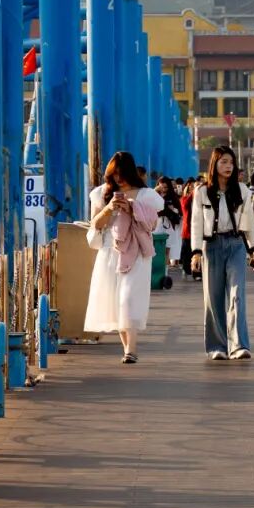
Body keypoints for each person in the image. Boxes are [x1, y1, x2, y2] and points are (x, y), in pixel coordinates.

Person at [85, 151, 164, 363]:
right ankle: (126, 348)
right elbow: (95, 225)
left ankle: (132, 348)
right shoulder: (101, 194)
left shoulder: (147, 195)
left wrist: (133, 208)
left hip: (136, 251)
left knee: (127, 298)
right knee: (115, 301)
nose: (118, 178)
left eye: (122, 173)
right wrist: (110, 208)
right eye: (114, 173)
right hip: (110, 251)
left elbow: (152, 224)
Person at [190, 145, 254, 360]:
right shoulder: (202, 191)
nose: (228, 166)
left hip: (236, 245)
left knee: (237, 295)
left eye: (231, 162)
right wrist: (195, 252)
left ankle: (239, 345)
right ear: (214, 164)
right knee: (213, 298)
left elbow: (248, 223)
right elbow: (196, 222)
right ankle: (217, 346)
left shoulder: (243, 191)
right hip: (211, 247)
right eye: (223, 162)